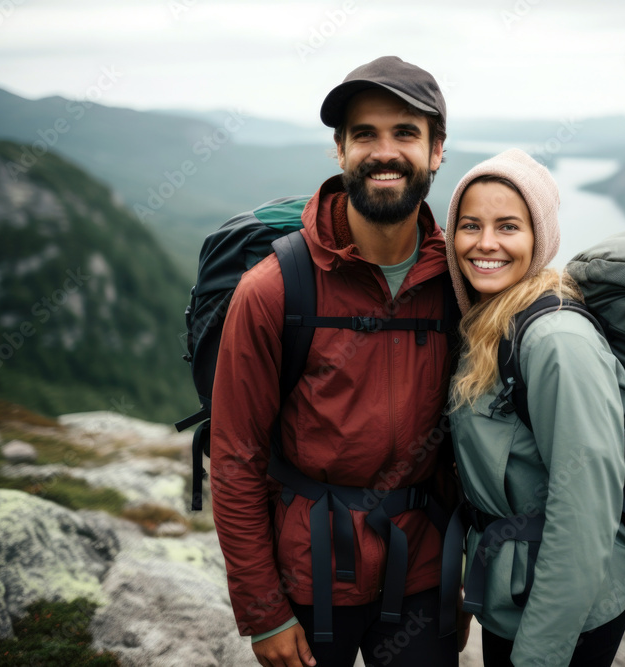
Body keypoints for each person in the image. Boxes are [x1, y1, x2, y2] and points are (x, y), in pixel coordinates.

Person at [209, 56, 468, 667]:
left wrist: (459, 578)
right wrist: (263, 612)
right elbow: (236, 456)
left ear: (437, 152)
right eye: (364, 135)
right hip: (308, 575)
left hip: (422, 575)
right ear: (339, 150)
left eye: (406, 133)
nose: (385, 152)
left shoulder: (456, 287)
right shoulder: (275, 288)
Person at [444, 148, 625, 666]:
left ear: (540, 239)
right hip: (511, 594)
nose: (485, 244)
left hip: (560, 615)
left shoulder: (555, 340)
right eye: (470, 225)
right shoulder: (491, 323)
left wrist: (540, 653)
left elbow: (585, 517)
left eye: (508, 226)